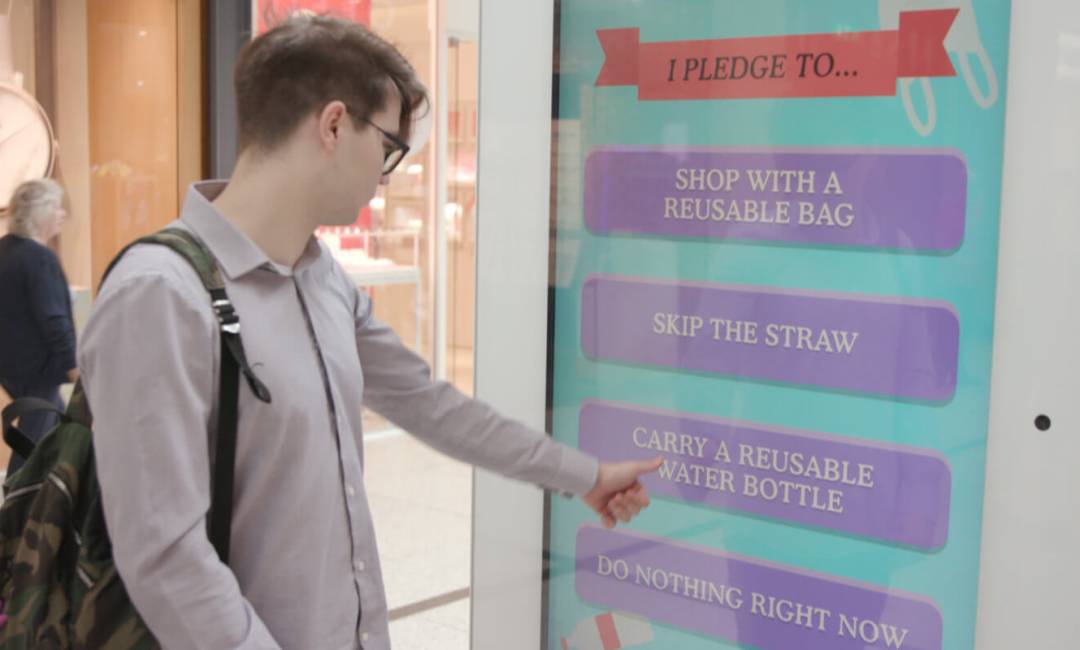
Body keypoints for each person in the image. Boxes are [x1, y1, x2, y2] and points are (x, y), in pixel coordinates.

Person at [78, 15, 660, 650]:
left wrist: (582, 474)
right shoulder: (159, 294)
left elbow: (434, 407)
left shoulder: (320, 276)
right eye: (389, 148)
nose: (389, 176)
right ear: (333, 125)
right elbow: (165, 558)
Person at [0, 179, 78, 475]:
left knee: (56, 424)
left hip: (10, 366)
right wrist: (74, 366)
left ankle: (53, 495)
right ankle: (17, 507)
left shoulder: (4, 251)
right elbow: (53, 320)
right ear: (41, 212)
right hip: (37, 368)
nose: (62, 215)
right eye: (57, 208)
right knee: (32, 445)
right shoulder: (39, 258)